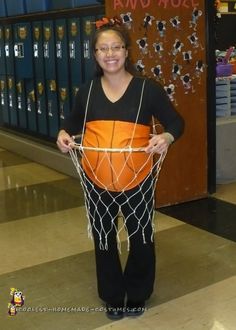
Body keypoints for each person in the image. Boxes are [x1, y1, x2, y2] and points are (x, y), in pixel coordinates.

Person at [56, 17, 184, 320]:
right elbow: (72, 123)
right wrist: (63, 133)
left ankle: (138, 293)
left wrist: (165, 136)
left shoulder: (147, 90)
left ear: (127, 52)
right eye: (103, 49)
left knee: (141, 236)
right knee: (104, 237)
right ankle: (112, 295)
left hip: (137, 178)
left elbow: (177, 123)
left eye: (116, 47)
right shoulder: (86, 92)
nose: (110, 54)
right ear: (95, 55)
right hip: (96, 177)